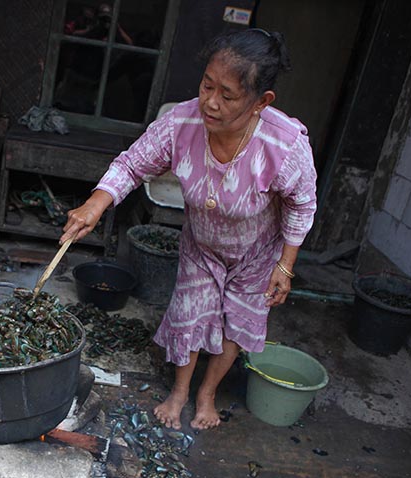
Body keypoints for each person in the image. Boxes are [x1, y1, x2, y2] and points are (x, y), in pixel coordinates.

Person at [60, 29, 317, 430]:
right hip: (202, 243)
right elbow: (133, 164)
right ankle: (179, 392)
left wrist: (285, 266)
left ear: (261, 102)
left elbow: (302, 204)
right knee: (188, 314)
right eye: (206, 85)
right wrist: (96, 203)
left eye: (228, 95)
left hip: (258, 253)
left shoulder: (283, 145)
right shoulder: (181, 122)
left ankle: (207, 394)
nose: (210, 102)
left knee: (238, 323)